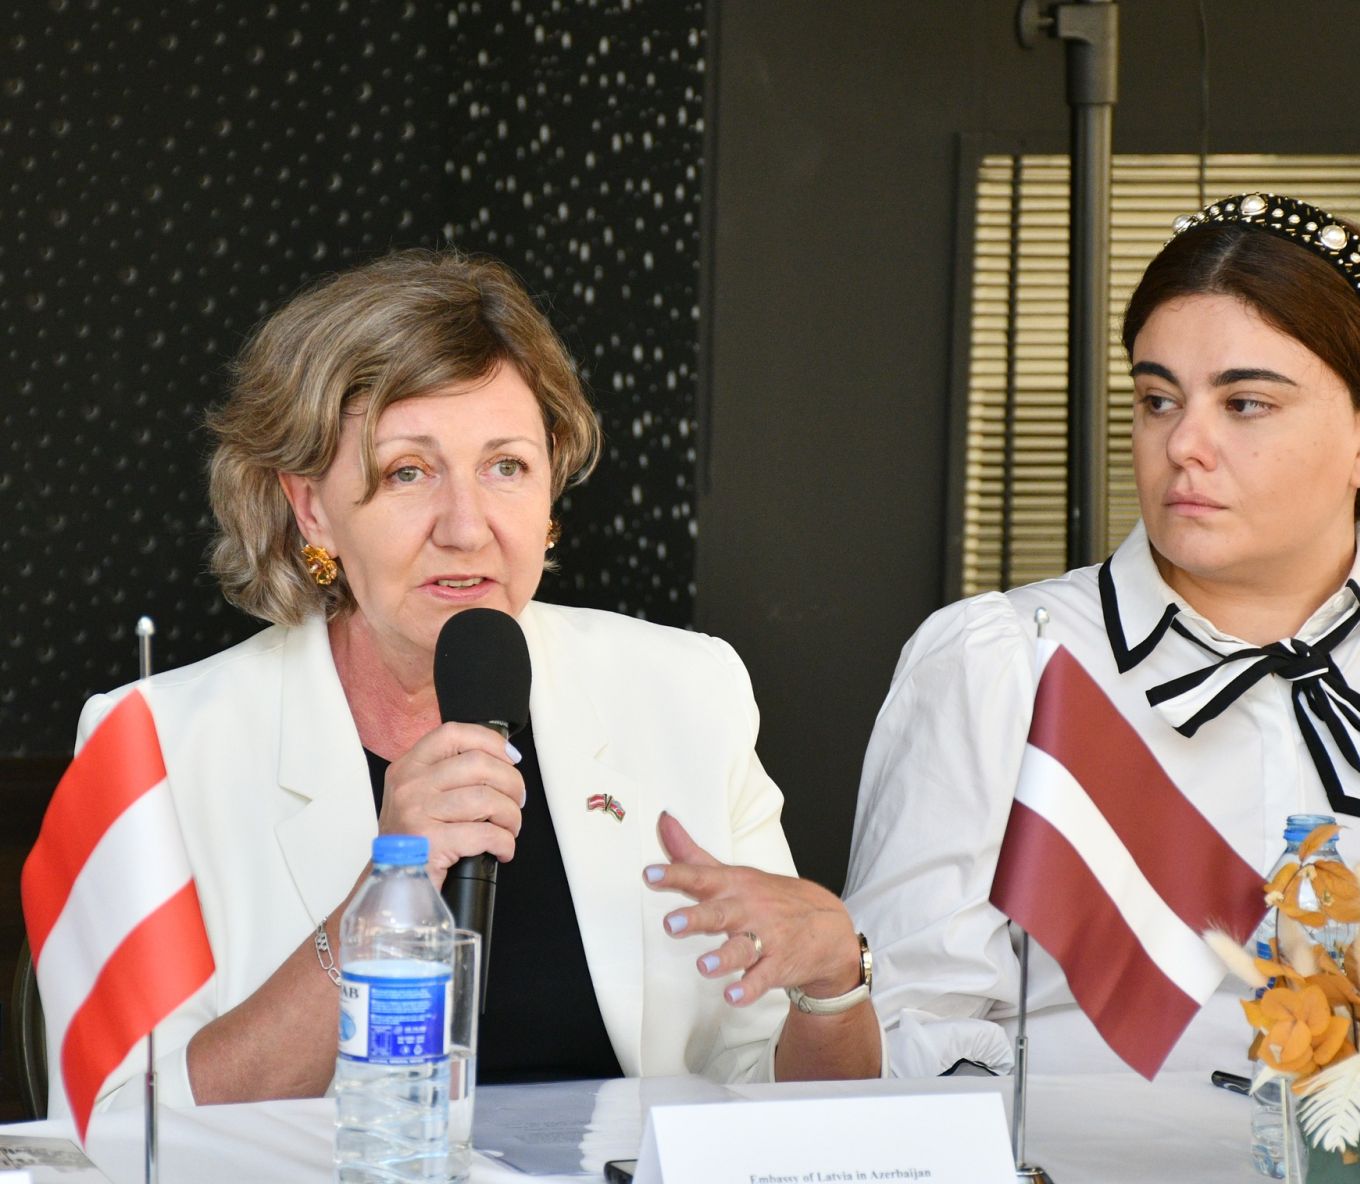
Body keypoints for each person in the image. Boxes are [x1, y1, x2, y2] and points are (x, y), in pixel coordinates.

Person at [60, 249, 881, 1121]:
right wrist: (380, 900)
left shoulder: (685, 690)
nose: (466, 526)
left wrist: (834, 982)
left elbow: (785, 1109)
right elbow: (129, 1131)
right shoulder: (154, 745)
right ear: (311, 508)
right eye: (408, 472)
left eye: (506, 467)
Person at [843, 192, 1360, 1079]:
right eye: (1158, 399)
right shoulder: (1002, 661)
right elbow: (899, 1032)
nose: (1184, 444)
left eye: (1244, 403)